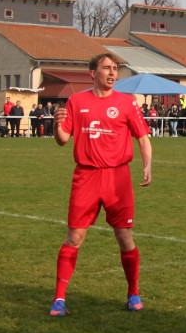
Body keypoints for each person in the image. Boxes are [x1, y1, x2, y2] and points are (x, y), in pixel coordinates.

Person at [51, 54, 153, 316]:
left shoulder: (126, 103)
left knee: (124, 236)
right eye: (106, 68)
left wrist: (147, 165)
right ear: (92, 73)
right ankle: (59, 299)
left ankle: (133, 292)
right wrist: (56, 125)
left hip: (117, 177)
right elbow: (63, 139)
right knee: (74, 236)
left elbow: (142, 138)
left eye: (115, 68)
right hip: (86, 176)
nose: (112, 72)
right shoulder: (77, 100)